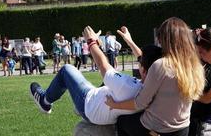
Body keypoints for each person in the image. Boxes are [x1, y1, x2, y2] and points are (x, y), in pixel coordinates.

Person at [29, 26, 162, 126]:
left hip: (89, 104)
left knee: (67, 70)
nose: (138, 59)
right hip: (103, 101)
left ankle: (45, 101)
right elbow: (144, 59)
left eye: (140, 61)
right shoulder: (156, 85)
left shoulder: (128, 87)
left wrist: (91, 41)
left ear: (144, 70)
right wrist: (129, 41)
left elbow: (103, 65)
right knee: (110, 79)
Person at [105, 17, 205, 136]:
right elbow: (143, 58)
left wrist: (114, 105)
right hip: (182, 129)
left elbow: (140, 103)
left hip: (155, 128)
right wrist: (129, 41)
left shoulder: (162, 65)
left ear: (165, 40)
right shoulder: (195, 65)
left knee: (122, 121)